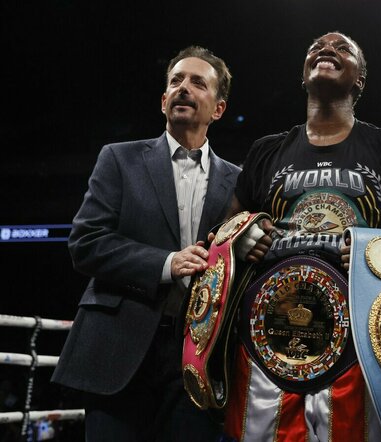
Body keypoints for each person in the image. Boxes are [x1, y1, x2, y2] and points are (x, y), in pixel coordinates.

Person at [218, 31, 381, 441]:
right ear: (304, 75)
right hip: (269, 338)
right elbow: (221, 237)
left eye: (342, 48)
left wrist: (375, 250)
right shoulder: (266, 150)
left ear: (359, 80)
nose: (326, 50)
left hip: (362, 343)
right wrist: (239, 238)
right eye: (316, 47)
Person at [51, 45, 240, 441]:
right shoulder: (119, 159)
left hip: (198, 357)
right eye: (176, 81)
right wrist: (166, 263)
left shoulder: (238, 181)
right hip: (119, 349)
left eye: (197, 83)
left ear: (218, 109)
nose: (183, 88)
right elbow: (85, 242)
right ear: (163, 100)